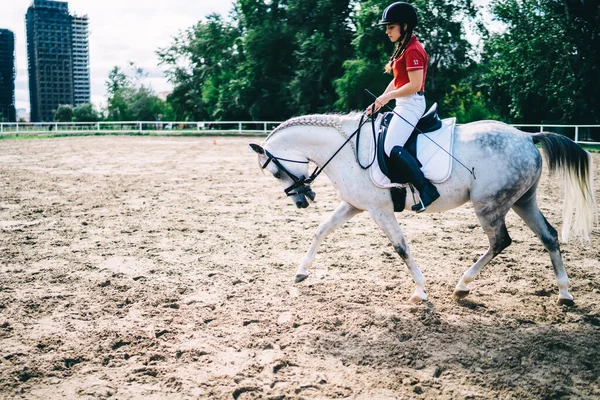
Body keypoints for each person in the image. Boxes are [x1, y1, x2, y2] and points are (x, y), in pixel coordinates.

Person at [366, 2, 439, 212]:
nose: (387, 31)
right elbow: (399, 81)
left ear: (405, 26)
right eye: (387, 27)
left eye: (391, 27)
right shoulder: (404, 48)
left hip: (412, 103)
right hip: (403, 102)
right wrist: (380, 100)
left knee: (391, 146)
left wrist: (387, 97)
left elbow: (414, 85)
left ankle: (426, 189)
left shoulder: (414, 50)